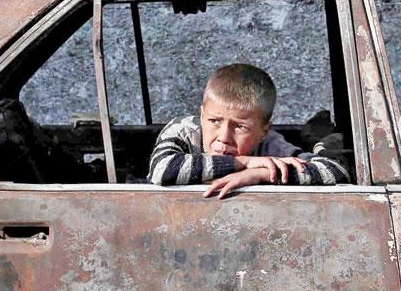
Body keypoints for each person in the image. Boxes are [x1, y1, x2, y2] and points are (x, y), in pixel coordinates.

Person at [148, 63, 350, 198]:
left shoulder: (269, 144)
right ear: (202, 116)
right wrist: (244, 162)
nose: (224, 137)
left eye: (240, 127)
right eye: (214, 121)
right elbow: (160, 169)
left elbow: (337, 171)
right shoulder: (185, 131)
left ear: (264, 131)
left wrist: (258, 174)